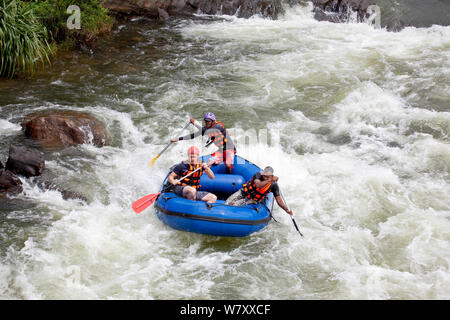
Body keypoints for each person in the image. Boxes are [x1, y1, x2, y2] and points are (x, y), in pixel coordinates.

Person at [171, 112, 236, 174]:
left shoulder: (218, 126)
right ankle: (204, 178)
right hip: (220, 150)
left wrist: (195, 124)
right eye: (205, 121)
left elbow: (207, 131)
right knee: (209, 163)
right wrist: (178, 139)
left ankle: (229, 175)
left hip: (229, 148)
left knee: (228, 165)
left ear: (213, 121)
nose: (206, 123)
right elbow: (193, 136)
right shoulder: (206, 128)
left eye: (208, 121)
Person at [225, 166, 293, 216]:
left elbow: (279, 201)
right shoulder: (258, 175)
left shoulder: (274, 185)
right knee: (227, 202)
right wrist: (268, 180)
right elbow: (258, 185)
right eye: (264, 176)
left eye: (267, 176)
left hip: (252, 199)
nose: (265, 177)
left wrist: (286, 210)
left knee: (234, 205)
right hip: (243, 192)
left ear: (272, 176)